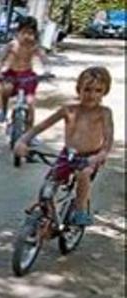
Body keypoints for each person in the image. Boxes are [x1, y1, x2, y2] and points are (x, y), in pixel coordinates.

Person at [14, 66, 114, 227]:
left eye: (98, 90)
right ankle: (47, 212)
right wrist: (22, 140)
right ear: (78, 89)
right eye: (87, 89)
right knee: (49, 183)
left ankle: (80, 211)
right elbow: (41, 126)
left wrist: (100, 155)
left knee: (83, 174)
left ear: (105, 92)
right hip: (68, 154)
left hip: (91, 156)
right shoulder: (69, 110)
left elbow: (108, 139)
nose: (92, 94)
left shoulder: (104, 113)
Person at [0, 16, 48, 128]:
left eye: (30, 33)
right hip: (12, 74)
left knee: (30, 103)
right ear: (18, 32)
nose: (27, 36)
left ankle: (30, 132)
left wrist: (47, 71)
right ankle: (4, 111)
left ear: (35, 34)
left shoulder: (34, 46)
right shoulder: (12, 45)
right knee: (6, 89)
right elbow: (1, 59)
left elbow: (44, 59)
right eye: (24, 32)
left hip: (27, 75)